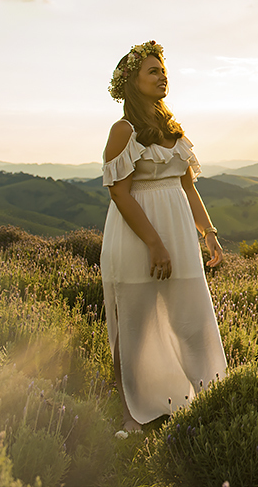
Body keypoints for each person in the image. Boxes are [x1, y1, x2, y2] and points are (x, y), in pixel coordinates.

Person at [101, 40, 228, 433]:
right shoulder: (123, 131)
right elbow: (120, 194)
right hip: (137, 237)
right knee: (134, 325)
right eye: (152, 71)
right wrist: (155, 244)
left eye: (163, 71)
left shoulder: (174, 130)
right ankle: (130, 414)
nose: (162, 77)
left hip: (180, 236)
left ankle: (208, 401)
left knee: (191, 318)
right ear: (132, 81)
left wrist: (208, 233)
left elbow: (188, 188)